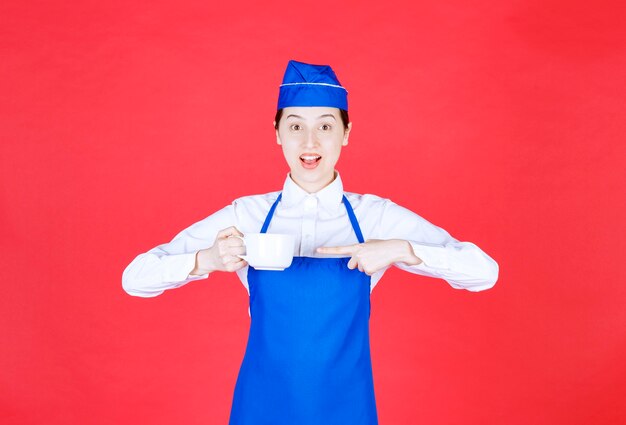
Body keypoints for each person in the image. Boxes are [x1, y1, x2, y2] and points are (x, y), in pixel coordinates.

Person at [122, 60, 499, 425]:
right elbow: (134, 279)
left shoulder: (376, 217)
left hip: (346, 407)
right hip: (262, 405)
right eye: (296, 126)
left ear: (347, 133)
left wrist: (403, 250)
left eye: (325, 126)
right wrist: (206, 259)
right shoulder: (247, 215)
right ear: (276, 132)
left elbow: (484, 273)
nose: (310, 142)